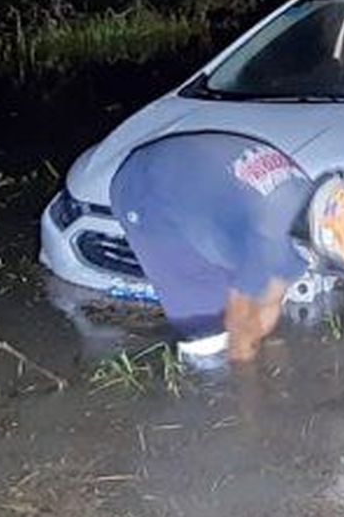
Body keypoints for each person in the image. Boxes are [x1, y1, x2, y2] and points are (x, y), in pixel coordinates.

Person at [108, 133, 312, 363]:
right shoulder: (270, 245)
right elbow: (240, 318)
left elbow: (272, 296)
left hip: (204, 183)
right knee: (207, 332)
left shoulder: (313, 197)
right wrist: (245, 370)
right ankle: (203, 374)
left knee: (253, 294)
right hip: (146, 188)